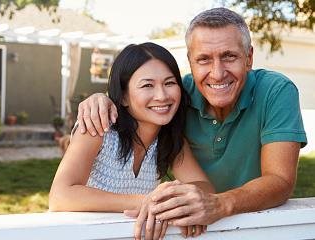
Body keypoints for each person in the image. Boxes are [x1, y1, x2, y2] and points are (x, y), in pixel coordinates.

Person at [76, 7, 307, 239]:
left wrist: (218, 204)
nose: (217, 74)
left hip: (256, 228)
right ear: (190, 62)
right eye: (204, 59)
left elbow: (280, 180)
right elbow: (137, 97)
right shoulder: (176, 97)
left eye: (229, 56)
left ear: (249, 58)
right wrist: (102, 99)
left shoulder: (276, 91)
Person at [49, 42, 214, 239]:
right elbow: (60, 196)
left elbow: (206, 189)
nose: (162, 95)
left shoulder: (169, 139)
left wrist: (172, 200)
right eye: (147, 85)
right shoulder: (99, 127)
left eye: (170, 83)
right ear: (124, 96)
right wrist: (147, 201)